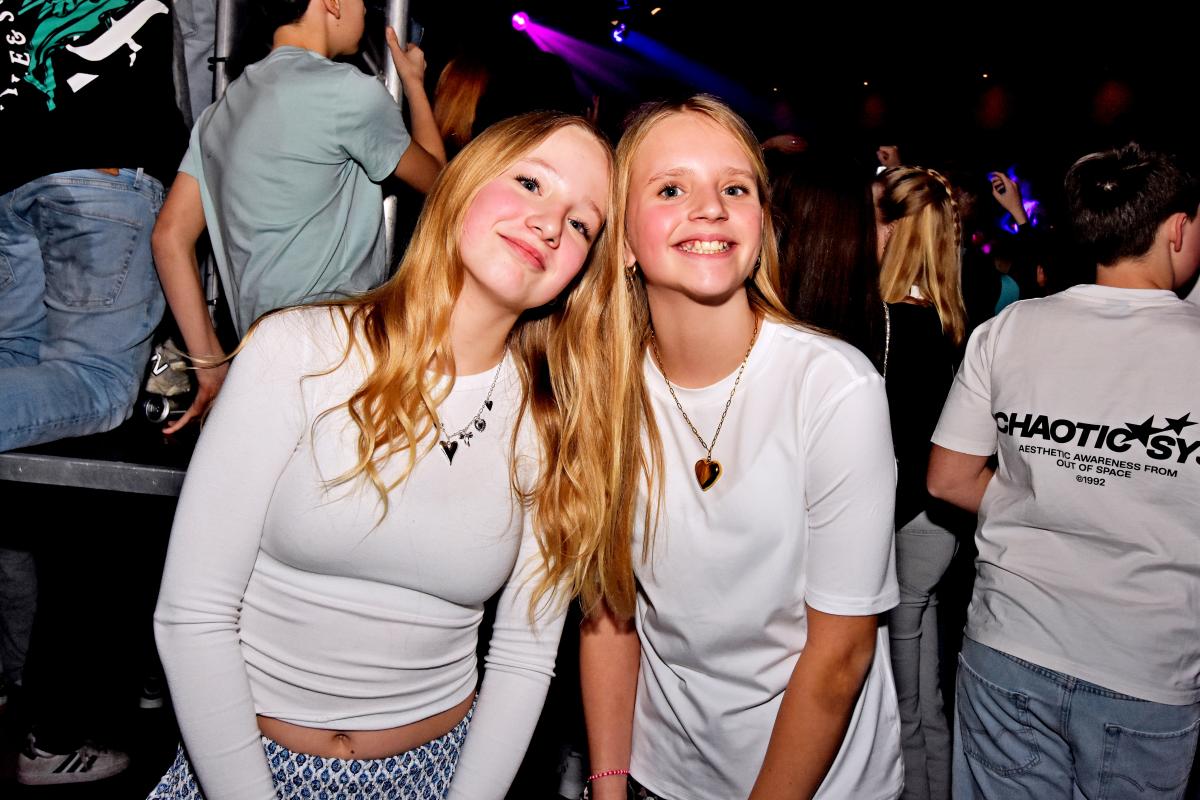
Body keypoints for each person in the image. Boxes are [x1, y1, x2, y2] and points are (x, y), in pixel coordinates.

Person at [150, 111, 615, 800]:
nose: (550, 224)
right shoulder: (298, 350)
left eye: (581, 223)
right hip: (237, 771)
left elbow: (522, 656)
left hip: (433, 777)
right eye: (530, 182)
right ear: (463, 183)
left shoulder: (552, 426)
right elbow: (192, 614)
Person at [579, 95, 903, 800]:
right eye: (671, 189)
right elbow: (609, 613)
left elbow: (840, 655)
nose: (710, 208)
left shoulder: (833, 387)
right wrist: (608, 784)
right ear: (624, 239)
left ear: (760, 223)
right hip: (661, 775)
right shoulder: (604, 391)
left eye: (735, 188)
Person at [928, 142, 1200, 798]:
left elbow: (948, 478)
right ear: (1177, 229)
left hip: (1009, 645)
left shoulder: (1012, 327)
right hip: (1145, 666)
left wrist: (1045, 497)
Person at [151, 0, 447, 433]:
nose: (366, 12)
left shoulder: (220, 113)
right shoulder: (348, 92)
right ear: (331, 2)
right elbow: (440, 182)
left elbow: (168, 237)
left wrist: (211, 366)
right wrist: (415, 85)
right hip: (338, 361)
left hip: (258, 366)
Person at [876, 165, 968, 800]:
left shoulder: (892, 324)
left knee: (899, 700)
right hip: (938, 528)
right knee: (926, 690)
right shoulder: (949, 319)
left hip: (906, 521)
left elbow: (898, 446)